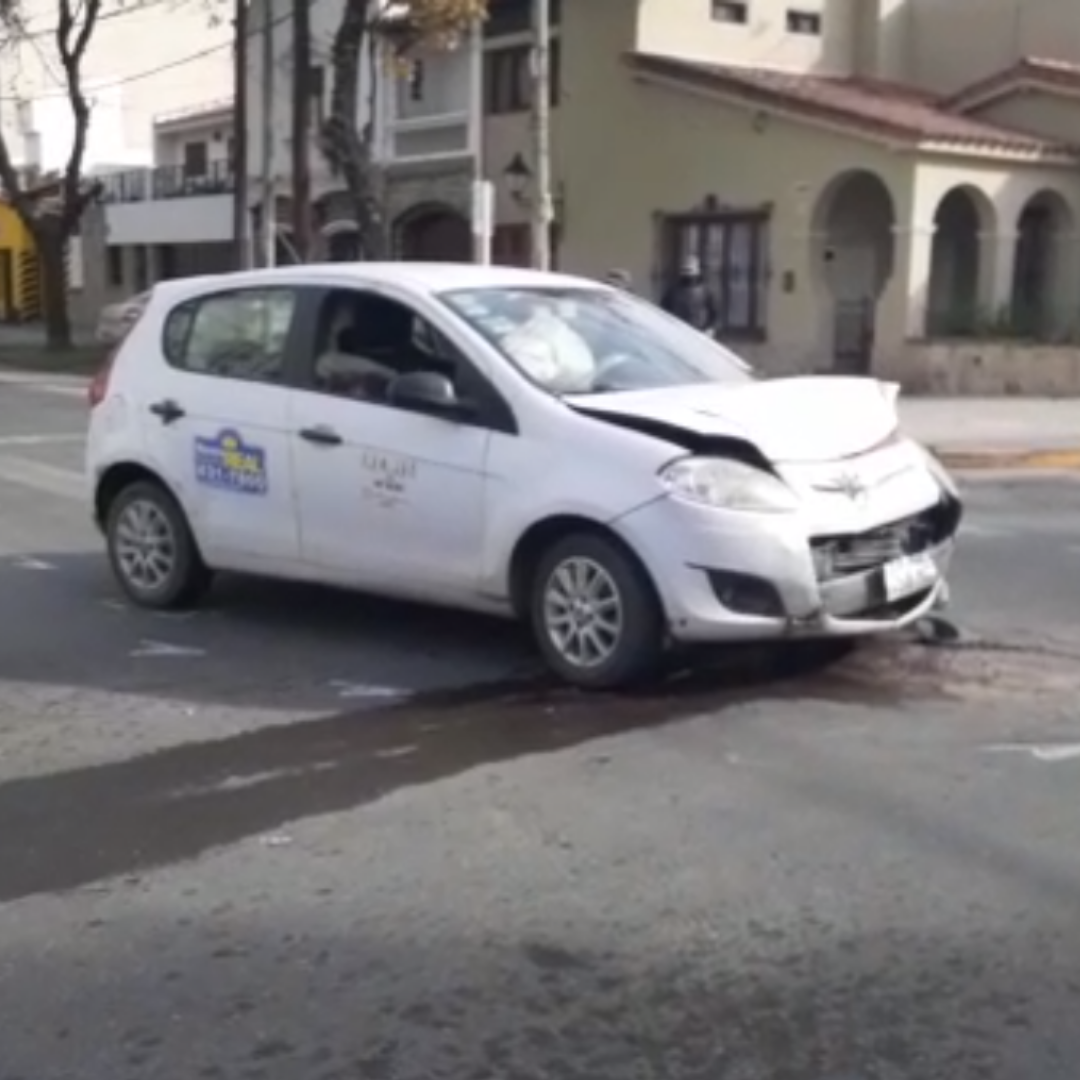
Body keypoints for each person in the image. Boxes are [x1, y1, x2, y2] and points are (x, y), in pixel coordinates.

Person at [660, 255, 717, 335]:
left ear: (697, 270)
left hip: (699, 332)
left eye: (690, 270)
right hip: (678, 331)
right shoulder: (672, 291)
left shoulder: (706, 291)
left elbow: (713, 312)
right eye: (685, 269)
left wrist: (710, 328)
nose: (688, 273)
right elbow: (663, 310)